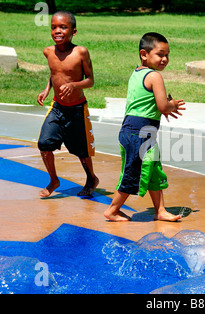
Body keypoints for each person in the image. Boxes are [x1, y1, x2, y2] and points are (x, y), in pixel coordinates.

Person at [103, 32, 185, 222]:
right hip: (138, 134)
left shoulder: (137, 72)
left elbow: (150, 103)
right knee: (134, 172)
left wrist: (165, 105)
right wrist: (171, 105)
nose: (165, 59)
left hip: (139, 132)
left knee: (154, 170)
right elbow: (162, 106)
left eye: (167, 55)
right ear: (144, 54)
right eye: (160, 54)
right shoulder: (154, 76)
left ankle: (160, 210)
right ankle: (112, 210)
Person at [37, 11, 99, 198]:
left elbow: (90, 80)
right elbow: (55, 73)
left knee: (82, 150)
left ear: (74, 31)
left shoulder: (80, 52)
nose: (58, 31)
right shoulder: (48, 51)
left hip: (77, 109)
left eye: (63, 27)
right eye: (54, 27)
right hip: (57, 108)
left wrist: (74, 85)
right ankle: (54, 180)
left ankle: (91, 179)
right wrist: (47, 89)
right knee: (44, 143)